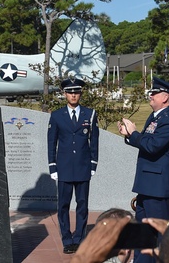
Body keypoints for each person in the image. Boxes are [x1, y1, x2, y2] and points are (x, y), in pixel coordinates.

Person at [118, 78, 169, 263]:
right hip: (147, 184)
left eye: (154, 93)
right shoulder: (155, 117)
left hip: (157, 187)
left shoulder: (167, 121)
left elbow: (153, 146)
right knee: (143, 231)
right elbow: (145, 142)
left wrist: (134, 134)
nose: (150, 95)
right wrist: (129, 136)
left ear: (165, 97)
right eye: (151, 92)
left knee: (158, 231)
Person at [47, 77, 100, 254]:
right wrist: (52, 166)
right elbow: (51, 143)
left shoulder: (90, 114)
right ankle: (67, 239)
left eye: (76, 92)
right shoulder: (56, 116)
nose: (73, 95)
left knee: (82, 204)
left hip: (83, 166)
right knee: (63, 205)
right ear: (64, 94)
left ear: (80, 94)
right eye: (70, 92)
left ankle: (79, 238)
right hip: (63, 168)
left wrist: (93, 164)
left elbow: (94, 142)